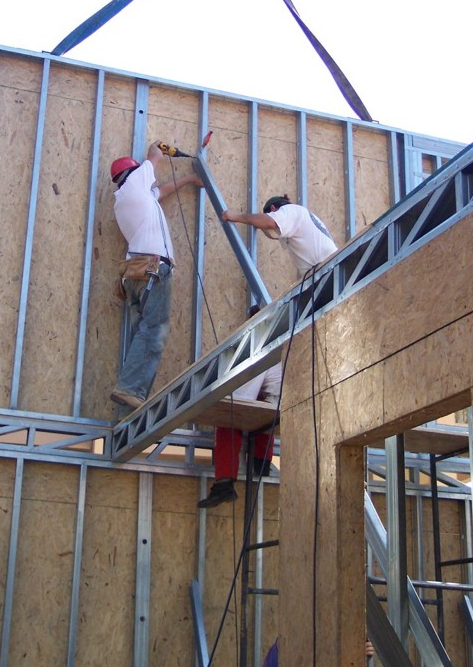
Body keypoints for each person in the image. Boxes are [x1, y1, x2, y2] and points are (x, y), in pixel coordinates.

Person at [110, 141, 202, 411]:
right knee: (154, 330)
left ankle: (131, 393)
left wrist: (188, 179)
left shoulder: (128, 199)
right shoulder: (137, 180)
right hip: (152, 268)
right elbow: (153, 152)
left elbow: (159, 192)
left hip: (135, 273)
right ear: (135, 172)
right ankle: (130, 389)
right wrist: (160, 148)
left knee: (143, 331)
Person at [198, 307, 282, 509]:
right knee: (263, 409)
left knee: (229, 417)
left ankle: (224, 484)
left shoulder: (259, 350)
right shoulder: (280, 343)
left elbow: (240, 400)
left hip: (275, 408)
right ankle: (260, 463)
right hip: (284, 406)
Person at [221, 194, 337, 277]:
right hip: (323, 271)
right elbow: (271, 234)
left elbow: (269, 223)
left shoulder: (291, 210)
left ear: (273, 209)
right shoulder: (295, 222)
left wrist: (234, 217)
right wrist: (258, 224)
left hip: (329, 269)